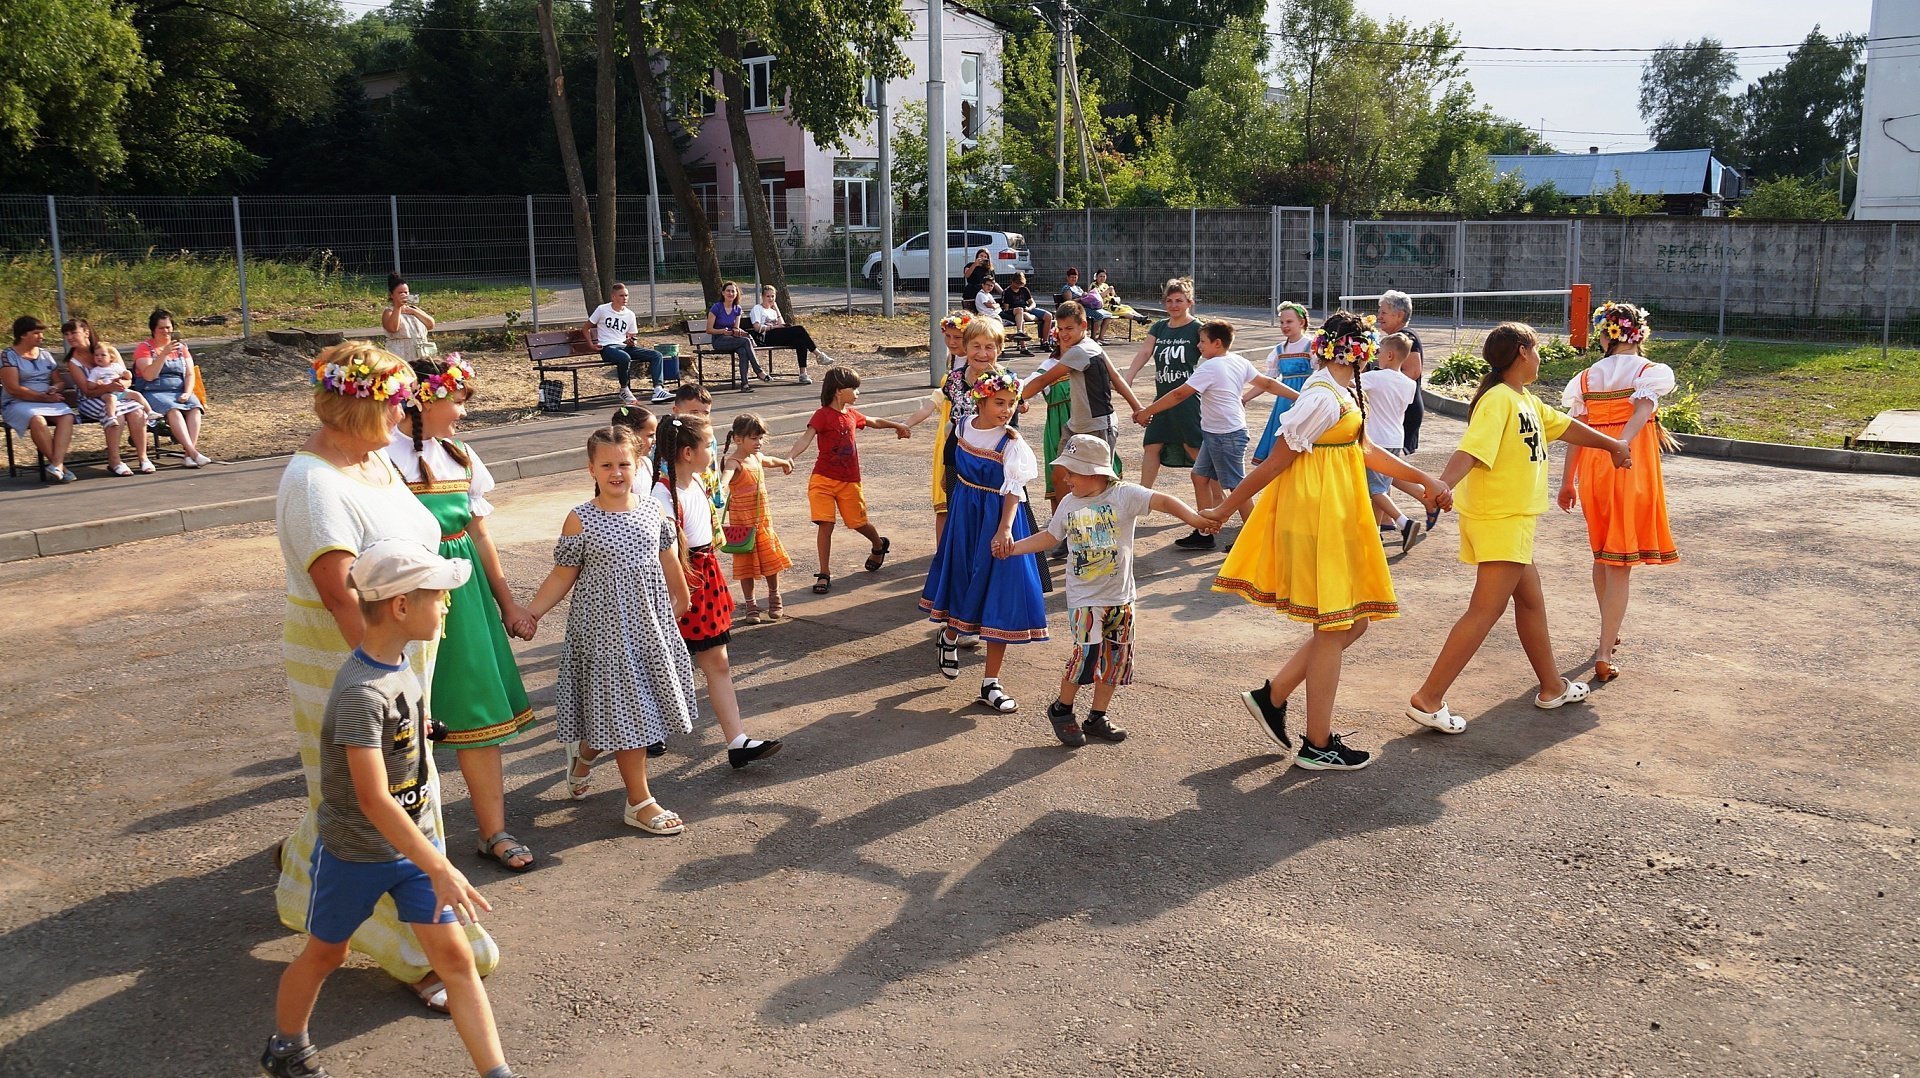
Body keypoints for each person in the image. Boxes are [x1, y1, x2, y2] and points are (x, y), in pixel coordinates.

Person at [273, 340, 498, 1013]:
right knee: (391, 802)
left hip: (398, 656)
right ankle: (419, 954)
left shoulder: (371, 461)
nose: (406, 414)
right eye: (397, 403)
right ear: (360, 407)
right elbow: (343, 598)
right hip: (353, 664)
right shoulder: (314, 485)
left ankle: (305, 877)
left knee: (352, 792)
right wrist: (389, 689)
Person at [260, 539, 518, 1078]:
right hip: (357, 856)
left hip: (413, 852)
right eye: (438, 596)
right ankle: (286, 1047)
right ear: (401, 606)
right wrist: (440, 865)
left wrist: (422, 732)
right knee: (326, 955)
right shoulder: (361, 692)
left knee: (456, 963)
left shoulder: (400, 665)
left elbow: (400, 739)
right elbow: (372, 798)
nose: (446, 604)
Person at [1203, 312, 1451, 772]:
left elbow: (1367, 451)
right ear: (1359, 350)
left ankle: (1273, 697)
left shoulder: (1342, 390)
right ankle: (1317, 743)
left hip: (1335, 513)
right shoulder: (1321, 396)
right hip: (1316, 517)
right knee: (1336, 627)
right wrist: (1224, 508)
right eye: (1367, 346)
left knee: (1351, 624)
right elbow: (1274, 462)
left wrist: (1425, 481)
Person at [1404, 322, 1633, 735]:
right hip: (1499, 517)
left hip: (1512, 519)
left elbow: (1567, 426)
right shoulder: (1498, 400)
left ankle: (1552, 687)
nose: (1540, 357)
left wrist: (1613, 445)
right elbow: (1471, 451)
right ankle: (1429, 698)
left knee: (1530, 602)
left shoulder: (1523, 399)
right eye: (1537, 349)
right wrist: (1442, 486)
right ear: (1523, 352)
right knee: (1485, 610)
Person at [389, 354, 539, 874]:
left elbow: (478, 534)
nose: (463, 413)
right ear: (422, 400)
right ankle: (397, 840)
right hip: (405, 592)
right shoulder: (379, 459)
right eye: (456, 401)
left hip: (465, 594)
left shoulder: (461, 456)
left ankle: (492, 831)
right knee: (400, 718)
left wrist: (507, 602)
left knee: (477, 712)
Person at [523, 427, 700, 832]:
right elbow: (563, 574)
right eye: (606, 465)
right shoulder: (580, 519)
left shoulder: (653, 511)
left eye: (624, 463)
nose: (616, 472)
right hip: (603, 636)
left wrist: (681, 598)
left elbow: (669, 559)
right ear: (591, 469)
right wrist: (531, 613)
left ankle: (584, 755)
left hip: (647, 630)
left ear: (637, 465)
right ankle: (640, 803)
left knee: (621, 713)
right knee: (629, 714)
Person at [1000, 434, 1217, 746]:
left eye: (1072, 472)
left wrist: (1195, 519)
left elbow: (1164, 501)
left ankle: (1097, 717)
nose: (1065, 478)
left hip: (1120, 597)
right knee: (1086, 657)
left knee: (1116, 660)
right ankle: (1062, 709)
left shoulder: (1124, 495)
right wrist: (1013, 548)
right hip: (1084, 598)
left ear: (1095, 473)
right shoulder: (1068, 503)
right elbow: (1050, 537)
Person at [1556, 301, 1680, 684]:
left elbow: (1576, 431)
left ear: (1606, 335)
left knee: (1603, 555)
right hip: (1629, 467)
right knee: (1620, 562)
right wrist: (1622, 444)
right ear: (1638, 333)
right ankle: (1604, 651)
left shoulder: (1586, 378)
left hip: (1594, 471)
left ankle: (1609, 631)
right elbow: (1642, 410)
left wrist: (1567, 480)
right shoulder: (1649, 372)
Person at [650, 413, 784, 768]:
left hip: (704, 580)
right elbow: (666, 556)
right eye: (708, 444)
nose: (714, 449)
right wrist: (681, 596)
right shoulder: (662, 495)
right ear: (688, 452)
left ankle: (737, 742)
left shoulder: (695, 482)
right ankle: (594, 746)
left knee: (717, 663)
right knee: (658, 667)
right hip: (680, 585)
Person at [919, 367, 1049, 713]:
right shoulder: (962, 426)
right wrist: (950, 492)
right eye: (999, 402)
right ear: (981, 401)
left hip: (998, 520)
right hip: (965, 517)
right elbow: (951, 464)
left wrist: (1005, 529)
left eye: (1011, 403)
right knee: (964, 581)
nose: (1007, 410)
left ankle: (991, 682)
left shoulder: (1012, 442)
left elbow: (1014, 490)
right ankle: (949, 636)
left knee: (999, 593)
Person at [1134, 320, 1296, 550]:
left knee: (1238, 487)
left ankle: (1254, 538)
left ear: (1217, 343)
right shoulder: (1238, 361)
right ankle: (1205, 531)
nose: (1198, 345)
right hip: (1217, 433)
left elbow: (1179, 394)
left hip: (1226, 435)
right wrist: (1299, 397)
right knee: (1199, 477)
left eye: (1202, 341)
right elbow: (1268, 384)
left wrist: (1147, 411)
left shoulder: (1210, 367)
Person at [789, 365, 911, 594]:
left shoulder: (852, 415)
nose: (857, 393)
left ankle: (878, 544)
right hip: (822, 479)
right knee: (825, 523)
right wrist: (790, 458)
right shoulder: (822, 415)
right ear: (838, 391)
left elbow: (874, 421)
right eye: (853, 388)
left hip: (849, 481)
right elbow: (805, 438)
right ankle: (824, 573)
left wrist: (898, 425)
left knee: (858, 523)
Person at [901, 315, 1011, 547]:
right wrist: (947, 467)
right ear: (966, 347)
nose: (982, 353)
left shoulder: (1005, 380)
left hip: (992, 463)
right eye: (976, 346)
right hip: (958, 460)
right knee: (959, 520)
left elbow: (1011, 426)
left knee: (991, 524)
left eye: (989, 347)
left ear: (999, 349)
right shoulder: (954, 379)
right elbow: (953, 424)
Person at [1020, 301, 1141, 510]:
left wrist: (1015, 397)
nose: (1063, 334)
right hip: (1075, 426)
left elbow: (1044, 380)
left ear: (1083, 325)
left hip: (1097, 425)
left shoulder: (1081, 350)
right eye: (1060, 329)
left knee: (1097, 483)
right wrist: (1137, 407)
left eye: (1069, 328)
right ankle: (1066, 522)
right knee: (1060, 473)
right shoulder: (1090, 345)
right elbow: (1116, 378)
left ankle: (1107, 522)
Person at [1123, 277, 1205, 493]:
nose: (1173, 305)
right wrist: (1129, 377)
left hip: (1186, 400)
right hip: (1162, 399)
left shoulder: (1197, 328)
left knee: (1194, 448)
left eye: (1179, 301)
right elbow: (1145, 352)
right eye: (1169, 301)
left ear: (1189, 302)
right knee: (1152, 445)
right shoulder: (1159, 327)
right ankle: (1143, 498)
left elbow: (1214, 356)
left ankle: (1218, 498)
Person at [718, 413, 796, 624]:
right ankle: (750, 604)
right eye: (754, 438)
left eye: (760, 438)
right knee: (746, 566)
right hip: (743, 524)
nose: (759, 442)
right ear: (738, 439)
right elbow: (726, 476)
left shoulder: (757, 457)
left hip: (763, 522)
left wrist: (784, 462)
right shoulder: (734, 462)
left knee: (771, 561)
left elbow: (769, 460)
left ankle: (774, 597)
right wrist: (721, 489)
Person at [1360, 332, 1425, 554]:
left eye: (1379, 352)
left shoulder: (1375, 378)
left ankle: (1404, 522)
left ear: (1389, 355)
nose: (1376, 356)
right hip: (1396, 438)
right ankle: (1375, 532)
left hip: (1376, 439)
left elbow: (1349, 384)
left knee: (1375, 489)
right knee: (1382, 487)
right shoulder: (1409, 384)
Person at [63, 318, 154, 476]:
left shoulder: (108, 350)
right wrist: (108, 387)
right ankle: (114, 460)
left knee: (137, 411)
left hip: (118, 394)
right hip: (91, 400)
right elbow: (87, 391)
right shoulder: (73, 362)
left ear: (86, 332)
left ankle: (143, 457)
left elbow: (127, 378)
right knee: (115, 414)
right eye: (66, 334)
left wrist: (120, 385)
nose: (69, 337)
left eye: (73, 333)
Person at [132, 308, 214, 467]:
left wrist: (187, 392)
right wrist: (163, 354)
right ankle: (193, 453)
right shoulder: (144, 348)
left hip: (178, 389)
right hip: (154, 391)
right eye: (161, 328)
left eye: (168, 327)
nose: (165, 331)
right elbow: (149, 375)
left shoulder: (181, 348)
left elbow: (190, 374)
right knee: (173, 410)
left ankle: (188, 455)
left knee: (195, 408)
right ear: (153, 330)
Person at [1, 315, 78, 482]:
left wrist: (54, 388)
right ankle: (61, 467)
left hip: (46, 400)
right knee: (37, 420)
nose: (41, 336)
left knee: (67, 416)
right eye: (36, 333)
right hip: (18, 403)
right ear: (23, 335)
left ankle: (56, 465)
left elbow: (59, 381)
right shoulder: (8, 355)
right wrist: (43, 398)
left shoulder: (45, 355)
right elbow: (13, 388)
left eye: (41, 332)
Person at [1249, 301, 1314, 467]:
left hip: (1307, 397)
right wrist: (1244, 398)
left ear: (1302, 322)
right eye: (1282, 322)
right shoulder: (1278, 350)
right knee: (1282, 436)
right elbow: (1267, 381)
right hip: (1284, 401)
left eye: (1289, 321)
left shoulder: (1312, 347)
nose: (1285, 326)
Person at [587, 282, 670, 405]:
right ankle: (624, 389)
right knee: (624, 357)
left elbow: (631, 336)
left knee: (656, 355)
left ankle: (658, 389)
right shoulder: (602, 309)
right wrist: (591, 345)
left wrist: (631, 342)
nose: (625, 298)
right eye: (621, 295)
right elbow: (586, 328)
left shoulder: (630, 314)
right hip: (608, 348)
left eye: (626, 295)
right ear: (613, 297)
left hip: (624, 346)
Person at [748, 284, 827, 385]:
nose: (770, 299)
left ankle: (803, 374)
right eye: (768, 296)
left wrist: (776, 309)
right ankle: (818, 354)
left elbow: (782, 324)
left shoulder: (773, 311)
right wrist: (773, 327)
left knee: (800, 340)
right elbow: (757, 327)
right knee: (799, 329)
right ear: (763, 297)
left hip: (777, 335)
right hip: (765, 336)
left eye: (772, 296)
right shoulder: (757, 308)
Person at [707, 281, 765, 389]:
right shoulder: (716, 308)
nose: (730, 293)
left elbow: (735, 328)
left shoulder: (737, 309)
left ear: (736, 293)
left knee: (743, 351)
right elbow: (709, 330)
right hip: (719, 340)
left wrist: (737, 331)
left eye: (733, 291)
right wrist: (722, 331)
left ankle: (744, 384)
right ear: (723, 293)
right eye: (728, 291)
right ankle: (759, 371)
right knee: (745, 341)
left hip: (732, 339)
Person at [382, 273, 437, 363]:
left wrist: (414, 312)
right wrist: (397, 307)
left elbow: (431, 325)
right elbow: (393, 328)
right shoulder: (389, 311)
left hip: (420, 353)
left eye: (406, 292)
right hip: (400, 353)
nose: (404, 295)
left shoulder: (414, 309)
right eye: (400, 293)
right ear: (391, 295)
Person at [1002, 272, 1051, 353]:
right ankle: (1023, 347)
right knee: (1022, 317)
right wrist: (1019, 311)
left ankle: (1045, 342)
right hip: (1018, 312)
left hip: (1027, 309)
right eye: (1017, 284)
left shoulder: (1024, 289)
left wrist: (1029, 308)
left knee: (1048, 316)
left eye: (1020, 284)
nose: (1018, 286)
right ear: (1012, 281)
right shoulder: (1007, 292)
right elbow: (1006, 309)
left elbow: (1032, 303)